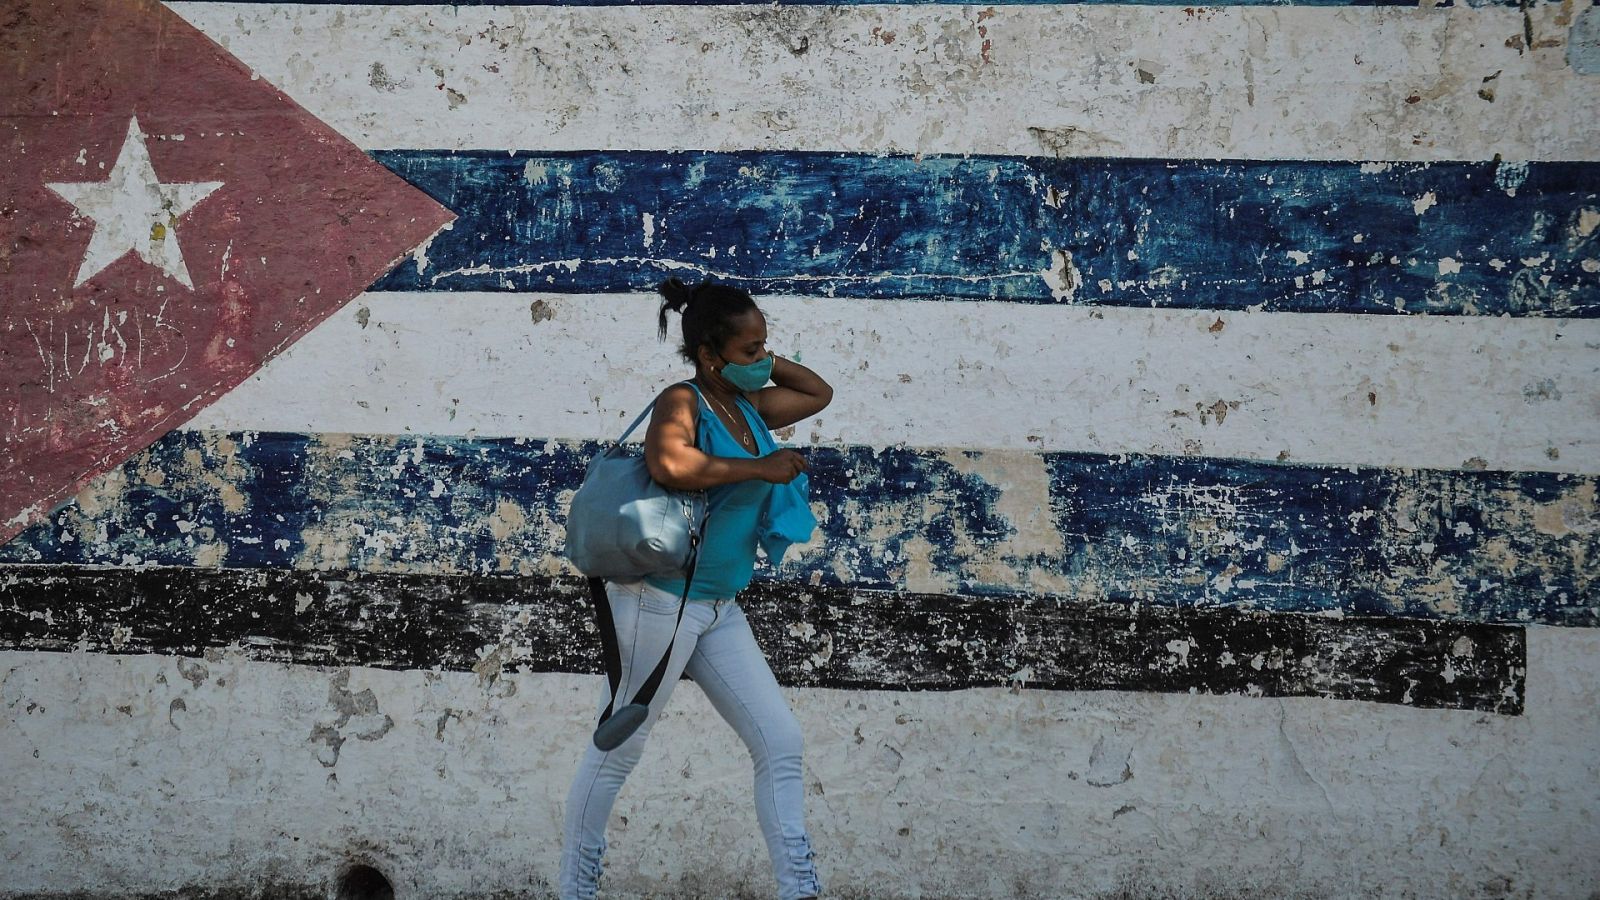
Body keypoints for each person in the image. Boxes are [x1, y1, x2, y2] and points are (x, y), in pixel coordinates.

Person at [558, 277, 834, 900]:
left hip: (716, 606)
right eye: (749, 350)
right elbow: (670, 463)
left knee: (780, 741)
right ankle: (576, 890)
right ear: (710, 356)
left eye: (765, 346)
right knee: (621, 745)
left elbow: (817, 393)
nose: (762, 359)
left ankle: (800, 889)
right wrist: (759, 467)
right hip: (659, 601)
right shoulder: (683, 400)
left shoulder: (749, 407)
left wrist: (758, 359)